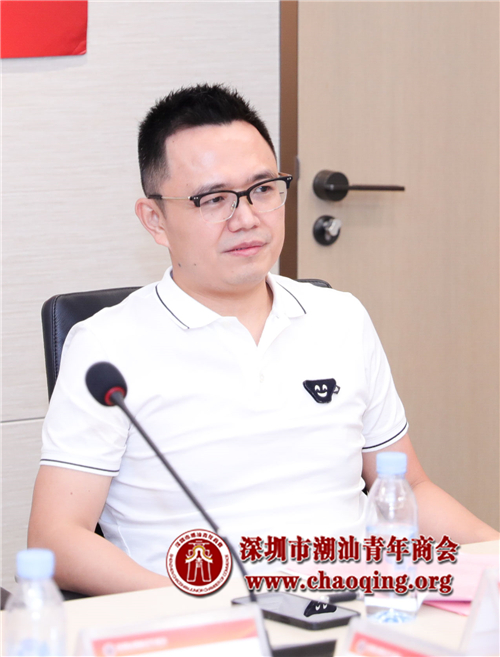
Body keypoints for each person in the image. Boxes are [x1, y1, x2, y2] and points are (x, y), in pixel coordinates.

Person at [28, 84, 498, 596]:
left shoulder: (340, 317)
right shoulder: (107, 346)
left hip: (357, 605)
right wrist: (189, 608)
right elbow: (58, 538)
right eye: (214, 199)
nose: (247, 217)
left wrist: (493, 553)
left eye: (263, 189)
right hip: (202, 617)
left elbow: (409, 488)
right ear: (155, 220)